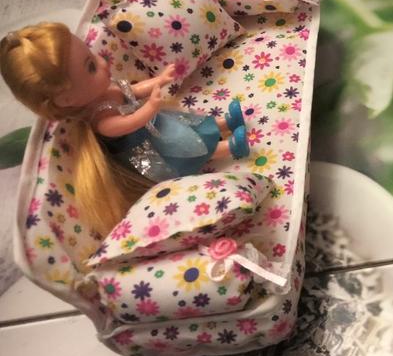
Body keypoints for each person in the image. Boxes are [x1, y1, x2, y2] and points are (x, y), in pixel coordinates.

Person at [1, 22, 249, 235]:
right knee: (186, 146)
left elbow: (133, 90)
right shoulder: (99, 117)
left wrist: (160, 80)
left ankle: (225, 123)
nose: (103, 62)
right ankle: (230, 147)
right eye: (91, 66)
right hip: (150, 145)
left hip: (157, 124)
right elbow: (125, 124)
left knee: (191, 125)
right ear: (66, 99)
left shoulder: (106, 90)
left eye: (92, 55)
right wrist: (149, 108)